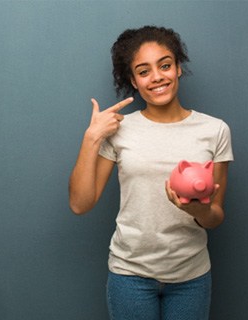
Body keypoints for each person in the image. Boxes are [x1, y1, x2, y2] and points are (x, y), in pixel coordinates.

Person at [69, 26, 233, 320]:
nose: (157, 77)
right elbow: (81, 204)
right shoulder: (119, 130)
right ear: (133, 80)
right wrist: (91, 137)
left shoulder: (215, 130)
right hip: (130, 276)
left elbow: (215, 217)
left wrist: (198, 209)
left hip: (190, 277)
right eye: (144, 71)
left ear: (178, 69)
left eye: (165, 65)